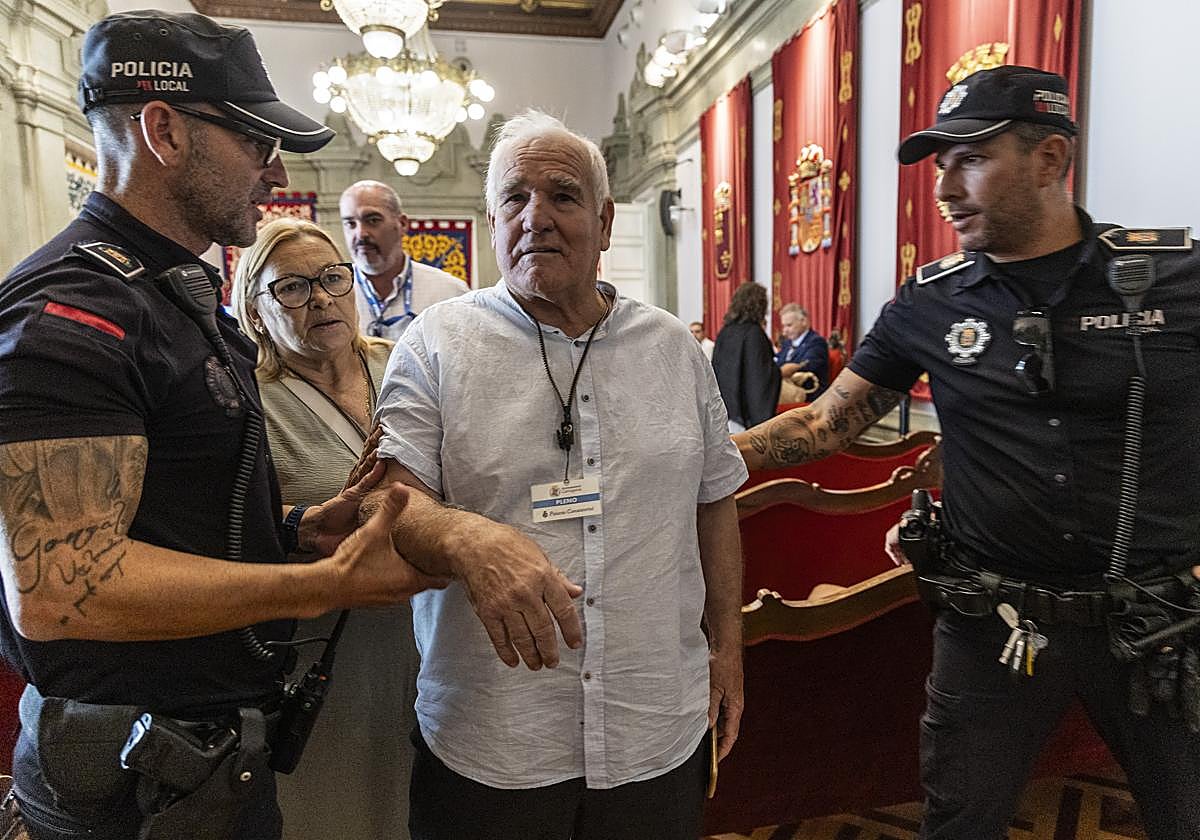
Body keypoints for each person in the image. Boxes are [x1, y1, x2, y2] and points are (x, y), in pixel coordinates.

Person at [0, 11, 441, 840]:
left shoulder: (168, 295)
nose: (272, 167)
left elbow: (175, 515)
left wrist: (298, 530)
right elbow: (61, 586)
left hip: (205, 761)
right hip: (130, 782)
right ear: (163, 129)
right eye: (251, 138)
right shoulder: (74, 310)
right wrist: (325, 585)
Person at [734, 65, 1200, 840]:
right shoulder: (930, 301)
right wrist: (689, 453)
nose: (945, 186)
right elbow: (825, 425)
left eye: (970, 159)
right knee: (959, 822)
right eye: (939, 164)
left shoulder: (1172, 282)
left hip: (1152, 624)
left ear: (1050, 159)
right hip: (994, 624)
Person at [359, 109, 747, 840]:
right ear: (491, 218)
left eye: (562, 196)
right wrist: (466, 538)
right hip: (495, 734)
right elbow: (387, 501)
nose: (535, 216)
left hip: (655, 725)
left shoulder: (673, 348)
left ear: (603, 222)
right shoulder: (435, 344)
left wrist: (729, 649)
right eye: (514, 198)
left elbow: (714, 500)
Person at [229, 218, 418, 840]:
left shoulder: (406, 367)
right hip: (318, 644)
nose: (320, 298)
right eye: (291, 288)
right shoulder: (247, 399)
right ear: (256, 312)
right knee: (331, 812)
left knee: (417, 803)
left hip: (429, 635)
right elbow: (227, 523)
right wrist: (296, 524)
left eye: (333, 277)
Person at [339, 180, 469, 340]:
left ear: (402, 224)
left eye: (373, 220)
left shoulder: (449, 292)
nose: (360, 234)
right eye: (350, 223)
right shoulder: (332, 295)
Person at [712, 281, 782, 432]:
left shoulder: (725, 332)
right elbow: (760, 379)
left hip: (725, 412)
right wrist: (778, 372)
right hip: (746, 418)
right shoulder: (754, 334)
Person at [774, 302, 830, 398]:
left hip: (808, 394)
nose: (785, 330)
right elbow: (778, 362)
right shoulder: (787, 343)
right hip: (786, 390)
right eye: (784, 326)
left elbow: (807, 365)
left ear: (803, 321)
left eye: (789, 325)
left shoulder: (816, 342)